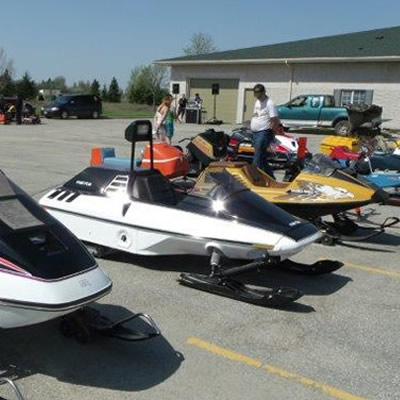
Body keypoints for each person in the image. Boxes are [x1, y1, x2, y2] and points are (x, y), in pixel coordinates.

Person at [250, 84, 280, 178]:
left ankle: (255, 178)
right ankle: (271, 177)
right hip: (256, 133)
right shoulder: (257, 102)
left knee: (257, 157)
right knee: (262, 157)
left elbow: (275, 120)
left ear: (263, 92)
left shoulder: (270, 103)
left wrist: (272, 136)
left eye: (259, 93)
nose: (257, 96)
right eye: (255, 94)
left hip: (264, 133)